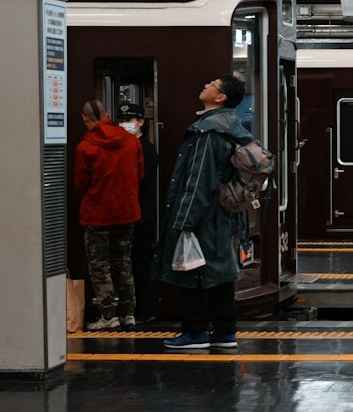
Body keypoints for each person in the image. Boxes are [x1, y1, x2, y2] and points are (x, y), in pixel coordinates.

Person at [160, 74, 253, 351]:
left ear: (220, 97)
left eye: (211, 85)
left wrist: (184, 222)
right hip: (225, 213)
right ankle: (225, 331)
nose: (205, 86)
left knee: (192, 270)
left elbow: (198, 179)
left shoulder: (208, 130)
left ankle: (195, 331)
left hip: (204, 215)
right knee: (221, 272)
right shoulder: (233, 126)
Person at [75, 98, 144, 331]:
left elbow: (80, 183)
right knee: (123, 262)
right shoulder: (132, 142)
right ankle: (129, 314)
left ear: (85, 119)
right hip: (127, 212)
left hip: (97, 214)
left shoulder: (85, 147)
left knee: (99, 265)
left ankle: (108, 316)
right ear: (107, 115)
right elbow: (140, 175)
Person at [117, 100, 161, 324]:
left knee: (142, 262)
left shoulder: (146, 148)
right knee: (130, 262)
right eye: (122, 120)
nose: (125, 124)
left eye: (130, 120)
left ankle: (147, 308)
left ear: (141, 122)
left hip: (143, 214)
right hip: (131, 213)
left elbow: (142, 181)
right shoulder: (126, 146)